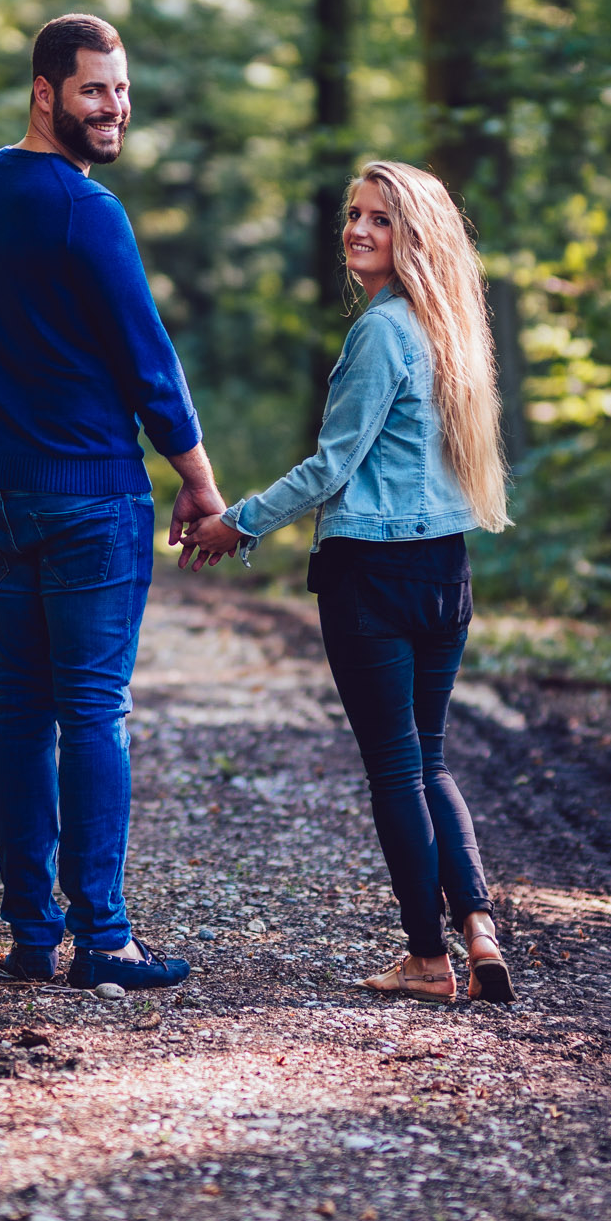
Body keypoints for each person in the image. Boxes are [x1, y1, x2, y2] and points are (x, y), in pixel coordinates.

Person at [183, 161, 514, 1005]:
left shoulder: (384, 332)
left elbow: (333, 468)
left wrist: (238, 523)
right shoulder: (453, 330)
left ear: (416, 237)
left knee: (397, 768)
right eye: (355, 215)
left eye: (381, 219)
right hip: (445, 568)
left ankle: (426, 957)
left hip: (374, 573)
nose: (358, 230)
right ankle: (476, 928)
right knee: (429, 759)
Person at [0, 13, 223, 992]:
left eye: (122, 90)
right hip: (89, 496)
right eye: (95, 90)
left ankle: (31, 935)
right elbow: (147, 360)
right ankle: (102, 939)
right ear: (44, 92)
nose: (115, 108)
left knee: (20, 706)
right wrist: (197, 478)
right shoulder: (86, 210)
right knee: (91, 709)